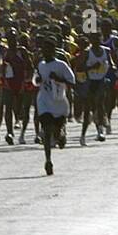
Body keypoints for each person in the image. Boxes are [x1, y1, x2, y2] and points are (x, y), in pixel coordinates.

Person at [34, 38, 75, 176]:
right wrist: (37, 80)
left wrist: (58, 78)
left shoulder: (61, 65)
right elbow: (36, 79)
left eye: (48, 49)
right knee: (46, 131)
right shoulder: (41, 65)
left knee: (56, 132)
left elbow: (72, 82)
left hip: (59, 103)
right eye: (43, 49)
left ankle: (60, 134)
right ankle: (48, 160)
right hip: (44, 101)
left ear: (53, 50)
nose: (45, 51)